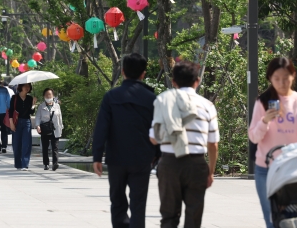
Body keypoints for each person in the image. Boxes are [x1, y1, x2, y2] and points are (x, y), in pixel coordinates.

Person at [149, 61, 219, 228]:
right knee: (193, 217)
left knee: (169, 216)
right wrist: (210, 172)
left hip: (169, 163)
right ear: (198, 80)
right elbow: (213, 144)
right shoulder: (207, 106)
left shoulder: (163, 101)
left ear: (174, 82)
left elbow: (153, 138)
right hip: (196, 164)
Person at [249, 57, 297, 228]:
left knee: (294, 218)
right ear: (270, 78)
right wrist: (264, 121)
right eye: (276, 78)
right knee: (272, 219)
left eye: (285, 78)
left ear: (293, 76)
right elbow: (254, 137)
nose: (281, 83)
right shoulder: (262, 102)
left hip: (293, 168)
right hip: (266, 169)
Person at [92, 53, 157, 228]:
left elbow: (101, 128)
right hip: (142, 158)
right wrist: (155, 156)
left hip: (116, 158)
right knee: (138, 204)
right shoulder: (152, 98)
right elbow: (158, 130)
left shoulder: (111, 97)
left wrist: (97, 156)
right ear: (143, 73)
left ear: (122, 72)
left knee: (118, 201)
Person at [9, 83, 37, 171]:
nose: (27, 88)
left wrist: (33, 104)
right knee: (16, 143)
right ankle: (18, 164)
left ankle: (25, 164)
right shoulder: (15, 97)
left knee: (27, 143)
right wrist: (11, 123)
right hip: (16, 122)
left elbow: (31, 112)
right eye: (25, 86)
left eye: (28, 87)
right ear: (21, 87)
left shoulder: (30, 98)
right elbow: (11, 111)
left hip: (26, 122)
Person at [36, 88, 64, 171]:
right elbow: (38, 117)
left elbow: (60, 117)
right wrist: (38, 126)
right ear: (44, 96)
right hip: (45, 129)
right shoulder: (41, 106)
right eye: (47, 95)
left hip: (55, 129)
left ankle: (55, 164)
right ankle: (46, 164)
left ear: (53, 96)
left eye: (50, 94)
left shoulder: (57, 106)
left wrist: (61, 126)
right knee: (45, 147)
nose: (48, 96)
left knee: (55, 147)